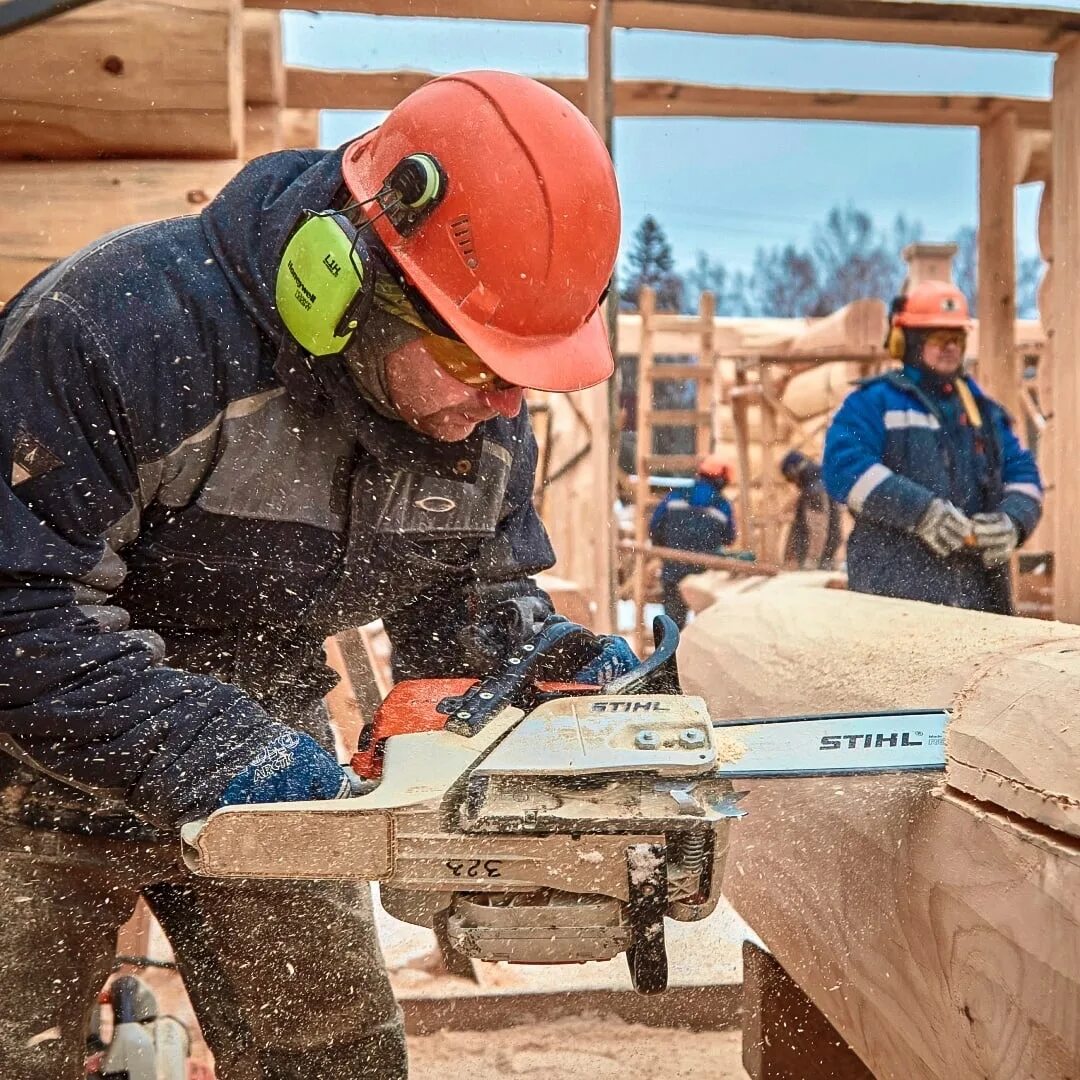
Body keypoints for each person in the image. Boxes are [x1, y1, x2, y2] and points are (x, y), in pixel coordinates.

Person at [0, 70, 633, 1079]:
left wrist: (525, 670)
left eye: (524, 373)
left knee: (333, 1057)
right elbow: (14, 608)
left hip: (269, 728)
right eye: (478, 363)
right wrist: (220, 753)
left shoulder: (477, 406)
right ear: (344, 283)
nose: (509, 405)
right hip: (29, 753)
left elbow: (461, 597)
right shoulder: (121, 330)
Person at [822, 280, 1043, 614]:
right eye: (938, 338)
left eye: (957, 338)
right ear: (908, 341)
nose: (950, 347)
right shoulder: (874, 402)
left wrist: (1013, 521)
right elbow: (844, 468)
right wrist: (919, 511)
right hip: (893, 596)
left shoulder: (982, 410)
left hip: (978, 598)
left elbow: (1023, 476)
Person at [648, 455, 736, 626]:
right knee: (705, 628)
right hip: (704, 575)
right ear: (721, 478)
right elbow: (729, 538)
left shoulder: (677, 495)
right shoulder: (721, 504)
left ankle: (670, 651)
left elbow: (655, 527)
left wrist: (667, 550)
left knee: (672, 630)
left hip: (673, 570)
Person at [779, 450, 842, 570]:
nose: (794, 483)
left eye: (791, 479)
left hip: (814, 565)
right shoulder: (822, 480)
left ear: (793, 471)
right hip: (824, 560)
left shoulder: (814, 490)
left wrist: (810, 561)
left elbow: (817, 531)